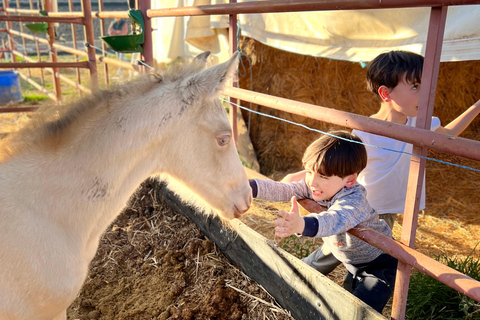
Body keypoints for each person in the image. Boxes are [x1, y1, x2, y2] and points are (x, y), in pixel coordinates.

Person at [282, 50, 480, 279]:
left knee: (345, 251)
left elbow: (450, 135)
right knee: (352, 255)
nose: (425, 94)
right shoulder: (366, 132)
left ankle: (299, 274)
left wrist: (477, 106)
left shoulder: (422, 124)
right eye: (416, 87)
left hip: (389, 210)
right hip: (361, 208)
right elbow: (339, 165)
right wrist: (300, 176)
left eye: (426, 86)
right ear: (386, 93)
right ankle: (298, 276)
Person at [250, 130, 397, 313]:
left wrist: (301, 224)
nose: (312, 181)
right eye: (310, 172)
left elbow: (333, 220)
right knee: (346, 298)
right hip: (348, 256)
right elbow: (283, 189)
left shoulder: (354, 200)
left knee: (360, 312)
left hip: (377, 265)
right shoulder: (315, 185)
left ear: (350, 180)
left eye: (323, 176)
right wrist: (248, 188)